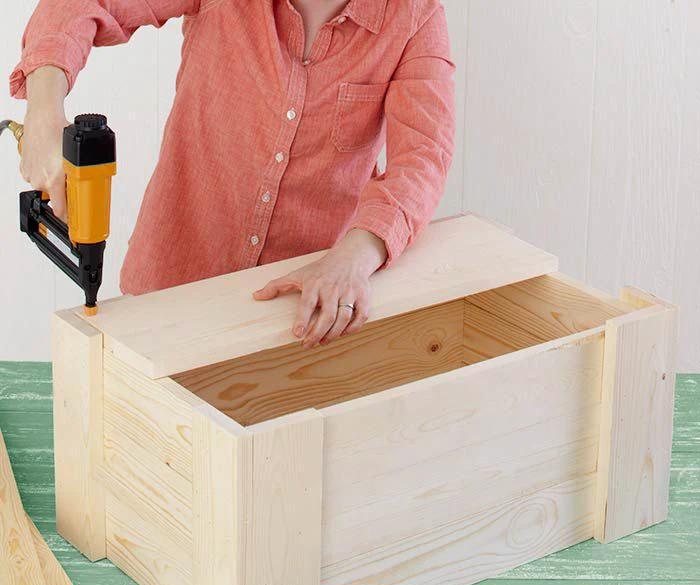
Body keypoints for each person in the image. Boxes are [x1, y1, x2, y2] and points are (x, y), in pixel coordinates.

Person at [11, 0, 455, 348]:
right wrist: (44, 111)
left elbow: (423, 159)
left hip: (296, 320)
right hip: (169, 297)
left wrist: (354, 256)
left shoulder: (415, 17)